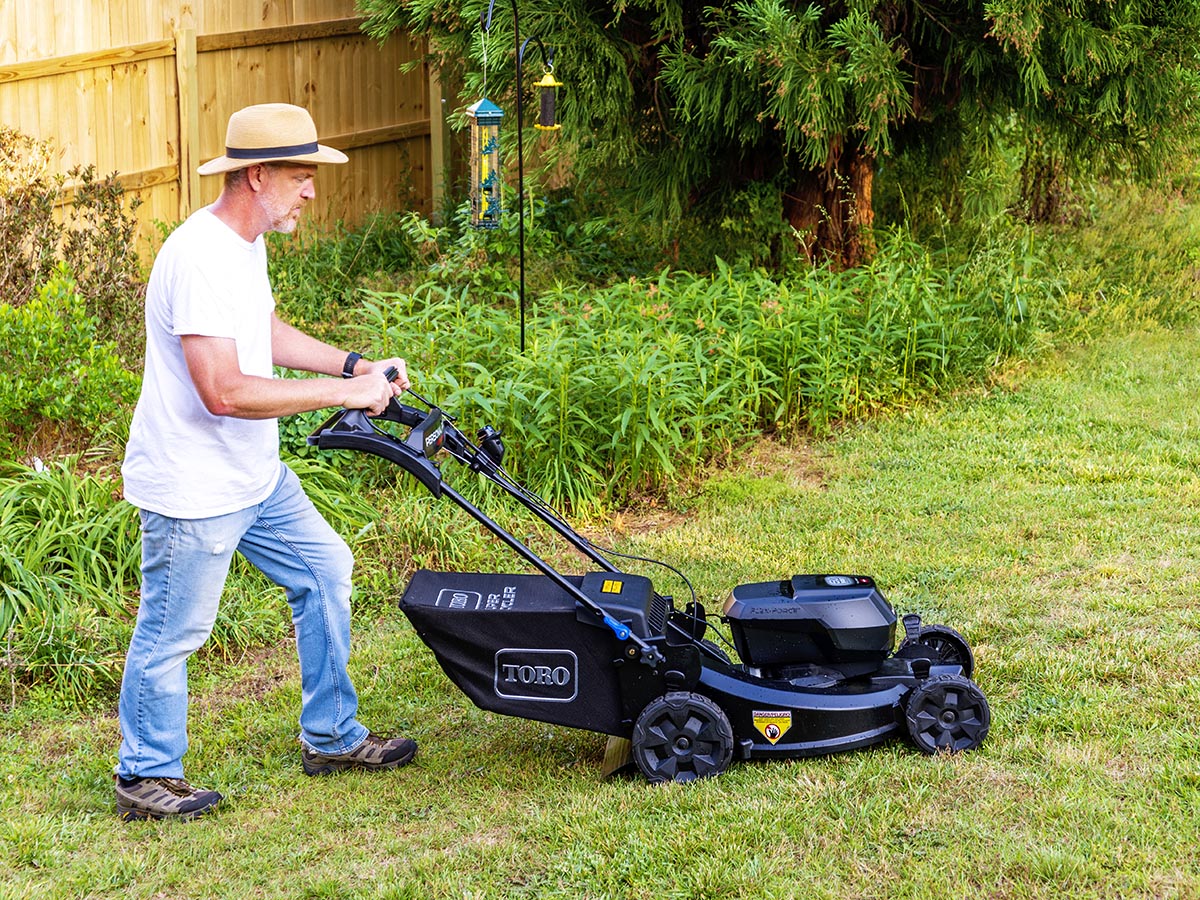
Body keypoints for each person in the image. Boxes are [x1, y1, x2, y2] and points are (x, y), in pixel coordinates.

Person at [115, 103, 416, 822]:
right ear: (257, 176)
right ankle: (144, 774)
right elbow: (222, 390)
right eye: (298, 175)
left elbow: (262, 330)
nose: (310, 190)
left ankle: (332, 737)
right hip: (196, 486)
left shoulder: (243, 246)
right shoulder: (196, 256)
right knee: (174, 629)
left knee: (326, 570)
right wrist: (344, 393)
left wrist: (353, 362)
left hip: (255, 477)